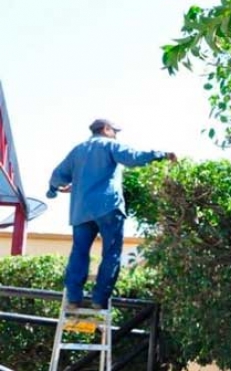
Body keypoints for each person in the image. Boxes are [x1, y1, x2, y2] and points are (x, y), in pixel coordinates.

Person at [47, 118, 176, 310]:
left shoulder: (78, 150)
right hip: (108, 207)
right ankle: (99, 299)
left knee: (79, 251)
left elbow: (57, 176)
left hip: (81, 210)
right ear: (106, 129)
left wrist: (54, 189)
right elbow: (134, 158)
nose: (116, 134)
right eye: (114, 130)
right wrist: (161, 155)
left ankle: (73, 297)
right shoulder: (110, 145)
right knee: (111, 253)